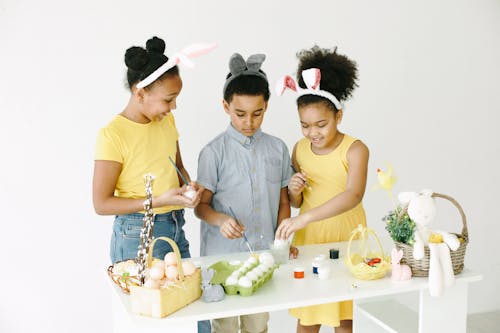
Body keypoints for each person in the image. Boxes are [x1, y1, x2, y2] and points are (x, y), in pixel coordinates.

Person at [195, 53, 294, 333]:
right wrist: (220, 220)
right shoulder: (213, 152)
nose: (249, 122)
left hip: (262, 258)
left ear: (267, 106)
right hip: (222, 259)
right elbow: (201, 207)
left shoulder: (278, 149)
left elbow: (283, 201)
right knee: (223, 326)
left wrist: (282, 240)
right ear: (226, 107)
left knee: (258, 325)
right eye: (240, 114)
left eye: (257, 113)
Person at [275, 46, 369, 333]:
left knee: (344, 315)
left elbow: (353, 195)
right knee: (309, 313)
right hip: (312, 237)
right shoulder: (299, 149)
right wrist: (294, 190)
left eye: (321, 124)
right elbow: (296, 201)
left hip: (346, 234)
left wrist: (304, 217)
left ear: (338, 117)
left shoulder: (355, 150)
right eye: (305, 125)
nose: (312, 133)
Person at [92, 35, 206, 265]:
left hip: (175, 226)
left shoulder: (167, 121)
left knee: (182, 295)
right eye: (169, 99)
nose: (174, 106)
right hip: (137, 233)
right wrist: (157, 201)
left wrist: (188, 187)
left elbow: (177, 166)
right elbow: (101, 203)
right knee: (146, 299)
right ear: (140, 93)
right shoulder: (113, 135)